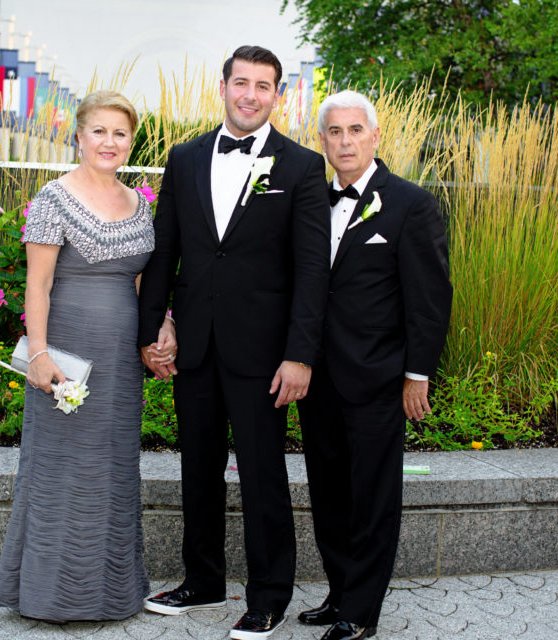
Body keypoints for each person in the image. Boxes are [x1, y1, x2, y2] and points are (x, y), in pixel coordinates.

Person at [138, 45, 330, 639]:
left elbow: (311, 271)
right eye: (240, 82)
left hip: (264, 354)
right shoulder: (185, 156)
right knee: (197, 467)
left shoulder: (300, 166)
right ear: (223, 86)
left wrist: (300, 354)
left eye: (263, 86)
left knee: (262, 474)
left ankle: (269, 594)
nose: (250, 94)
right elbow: (163, 251)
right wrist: (151, 331)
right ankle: (203, 581)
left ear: (277, 95)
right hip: (194, 345)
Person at [0, 90, 173, 622]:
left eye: (120, 133)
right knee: (60, 469)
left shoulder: (141, 204)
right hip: (66, 355)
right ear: (79, 136)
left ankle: (111, 592)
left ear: (131, 141)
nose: (109, 142)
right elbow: (38, 284)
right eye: (99, 131)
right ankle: (49, 595)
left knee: (112, 468)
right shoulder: (53, 198)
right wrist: (40, 355)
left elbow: (143, 284)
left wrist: (163, 328)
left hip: (120, 364)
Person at [295, 90, 452, 640]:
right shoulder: (308, 198)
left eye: (355, 130)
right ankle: (340, 594)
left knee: (372, 499)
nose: (345, 141)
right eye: (334, 132)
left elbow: (430, 299)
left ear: (375, 135)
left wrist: (418, 373)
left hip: (379, 378)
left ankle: (361, 612)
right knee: (329, 493)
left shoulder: (411, 203)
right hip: (315, 378)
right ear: (322, 140)